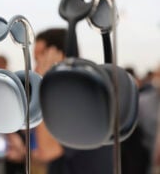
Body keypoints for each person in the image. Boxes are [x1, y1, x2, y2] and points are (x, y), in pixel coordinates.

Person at [32, 28, 114, 174]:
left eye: (39, 60)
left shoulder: (79, 98)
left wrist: (43, 86)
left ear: (58, 57)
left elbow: (48, 150)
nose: (35, 68)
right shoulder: (71, 96)